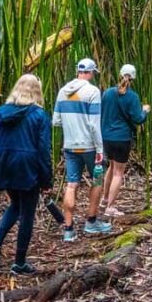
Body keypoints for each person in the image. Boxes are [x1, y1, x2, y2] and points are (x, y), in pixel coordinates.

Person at [0, 74, 51, 276]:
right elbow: (43, 150)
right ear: (37, 91)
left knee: (15, 204)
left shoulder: (1, 112)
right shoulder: (39, 115)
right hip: (27, 166)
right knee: (27, 215)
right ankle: (19, 262)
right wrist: (46, 180)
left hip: (4, 164)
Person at [53, 58, 112, 242]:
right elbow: (94, 125)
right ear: (91, 72)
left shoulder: (63, 91)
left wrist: (71, 127)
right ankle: (91, 221)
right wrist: (100, 149)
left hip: (70, 146)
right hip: (90, 146)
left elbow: (55, 121)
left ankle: (69, 229)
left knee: (71, 184)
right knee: (97, 180)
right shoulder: (92, 91)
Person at [100, 64, 151, 217]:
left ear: (120, 74)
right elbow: (138, 119)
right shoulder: (132, 96)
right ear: (133, 78)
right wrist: (145, 111)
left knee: (111, 167)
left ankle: (105, 198)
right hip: (122, 138)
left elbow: (101, 112)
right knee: (118, 173)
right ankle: (110, 207)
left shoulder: (107, 93)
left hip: (106, 137)